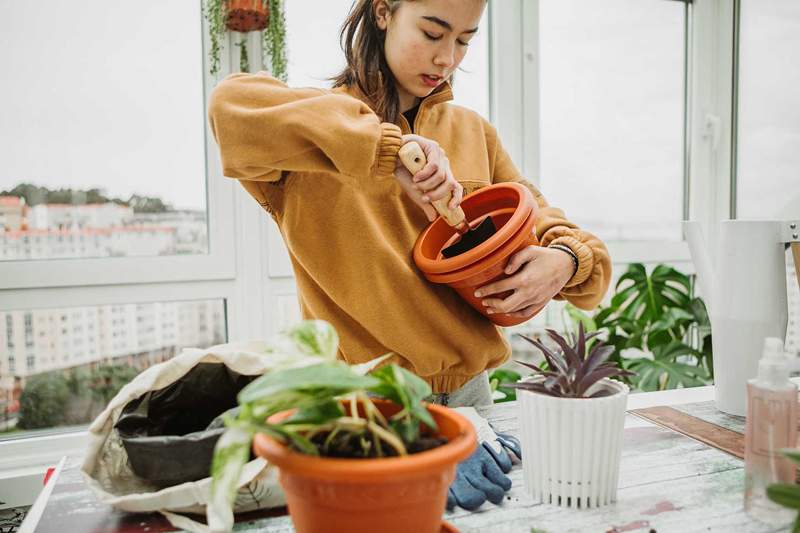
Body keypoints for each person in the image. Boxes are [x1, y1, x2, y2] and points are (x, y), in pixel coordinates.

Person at [208, 0, 610, 409]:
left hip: (472, 396)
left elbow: (567, 245)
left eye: (464, 41)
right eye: (432, 34)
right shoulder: (314, 136)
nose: (447, 58)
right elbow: (230, 106)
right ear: (384, 13)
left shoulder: (475, 133)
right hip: (364, 400)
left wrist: (565, 261)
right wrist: (386, 149)